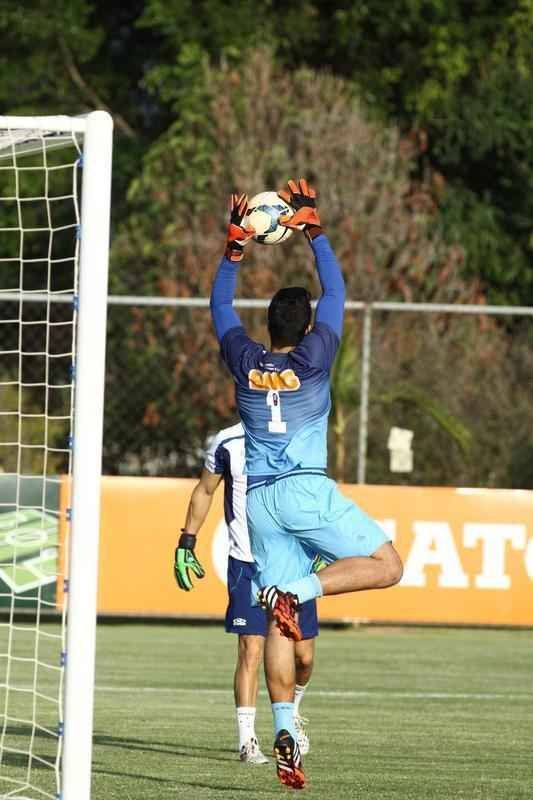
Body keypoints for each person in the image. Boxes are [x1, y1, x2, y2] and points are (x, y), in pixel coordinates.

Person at [210, 179, 404, 789]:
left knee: (276, 623)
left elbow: (219, 308)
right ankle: (299, 588)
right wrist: (314, 230)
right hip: (303, 488)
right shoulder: (314, 358)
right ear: (307, 325)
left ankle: (285, 726)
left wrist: (235, 249)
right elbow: (338, 291)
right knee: (387, 563)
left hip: (260, 502)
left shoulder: (244, 359)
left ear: (265, 327)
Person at [173, 420, 319, 764]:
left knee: (304, 657)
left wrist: (320, 546)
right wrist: (187, 540)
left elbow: (314, 493)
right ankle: (247, 740)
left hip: (293, 563)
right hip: (247, 563)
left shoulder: (301, 435)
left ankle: (292, 713)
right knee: (250, 649)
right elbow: (205, 490)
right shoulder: (227, 441)